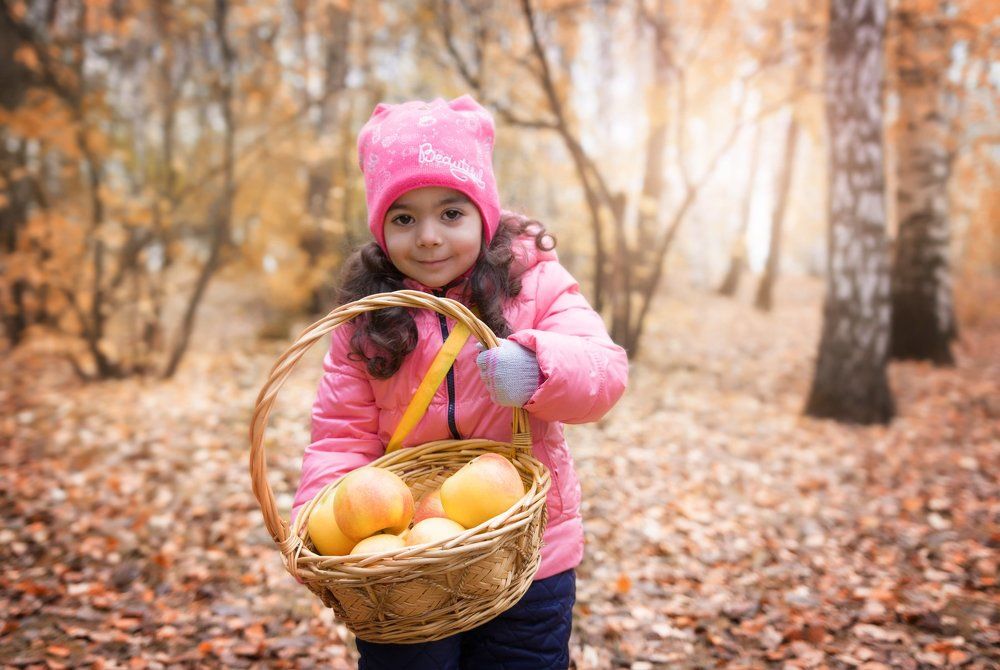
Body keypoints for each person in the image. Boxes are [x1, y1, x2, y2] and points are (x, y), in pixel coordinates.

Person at [290, 95, 629, 669]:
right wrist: (323, 521)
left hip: (527, 554)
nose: (428, 237)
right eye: (404, 218)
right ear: (380, 229)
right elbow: (340, 436)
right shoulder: (366, 317)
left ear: (484, 213)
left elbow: (604, 372)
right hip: (405, 567)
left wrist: (536, 364)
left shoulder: (533, 285)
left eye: (451, 213)